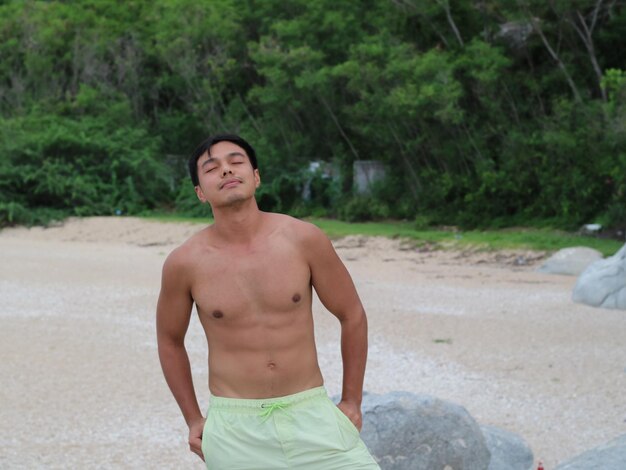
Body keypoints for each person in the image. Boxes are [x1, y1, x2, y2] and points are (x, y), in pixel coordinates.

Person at [156, 134, 379, 469]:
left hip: (312, 415)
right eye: (212, 168)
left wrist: (351, 400)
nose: (226, 171)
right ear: (200, 192)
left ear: (256, 176)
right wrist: (193, 418)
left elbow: (352, 314)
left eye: (236, 161)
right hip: (235, 429)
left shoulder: (304, 239)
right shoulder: (185, 263)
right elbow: (169, 340)